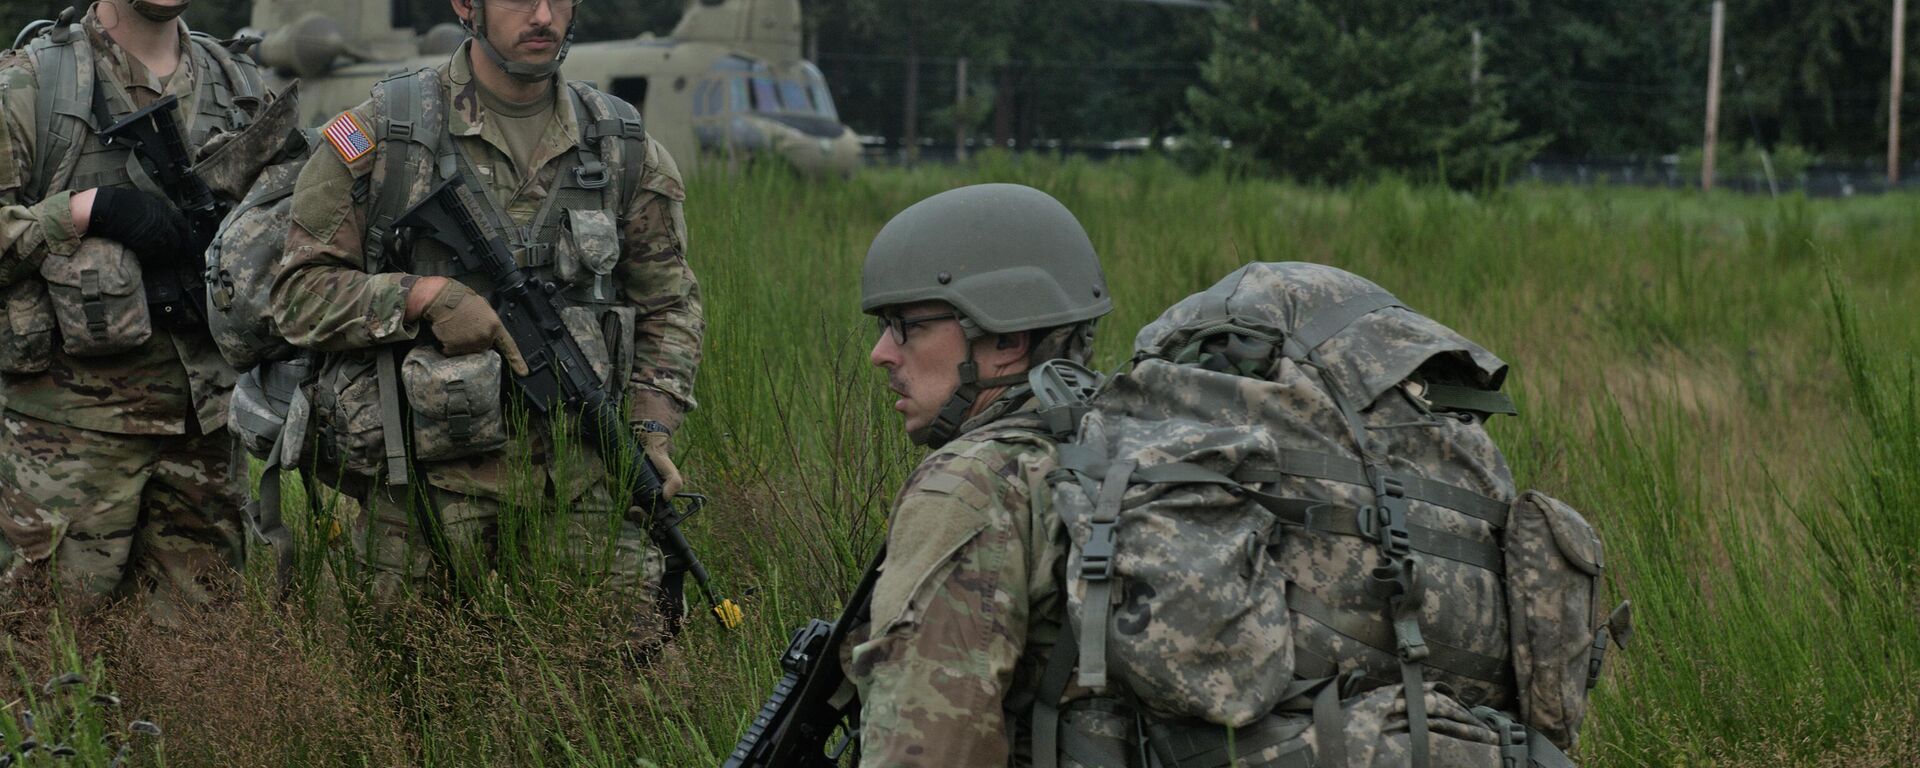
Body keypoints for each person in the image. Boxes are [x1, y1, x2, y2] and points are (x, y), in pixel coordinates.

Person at [270, 0, 701, 613]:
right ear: (466, 5)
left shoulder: (621, 146)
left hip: (578, 482)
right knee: (400, 692)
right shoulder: (387, 132)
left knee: (624, 672)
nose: (544, 15)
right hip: (420, 490)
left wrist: (651, 426)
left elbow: (670, 302)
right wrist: (421, 296)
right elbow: (296, 293)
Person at [0, 0, 278, 620]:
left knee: (197, 670)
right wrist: (81, 212)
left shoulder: (238, 87)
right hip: (68, 441)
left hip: (205, 434)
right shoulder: (34, 86)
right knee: (44, 660)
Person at [849, 183, 1111, 765]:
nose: (881, 354)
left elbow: (928, 750)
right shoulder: (1117, 439)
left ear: (1008, 339)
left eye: (907, 326)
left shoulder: (970, 485)